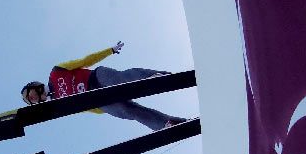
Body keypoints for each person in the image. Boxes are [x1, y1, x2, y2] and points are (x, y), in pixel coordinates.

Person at [20, 41, 187, 131]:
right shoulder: (58, 104)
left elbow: (85, 61)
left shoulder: (55, 72)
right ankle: (166, 124)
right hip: (98, 100)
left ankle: (154, 77)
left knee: (121, 79)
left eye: (29, 94)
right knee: (129, 112)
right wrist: (103, 109)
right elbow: (82, 107)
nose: (31, 98)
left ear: (34, 86)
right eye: (29, 101)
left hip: (97, 78)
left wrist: (109, 51)